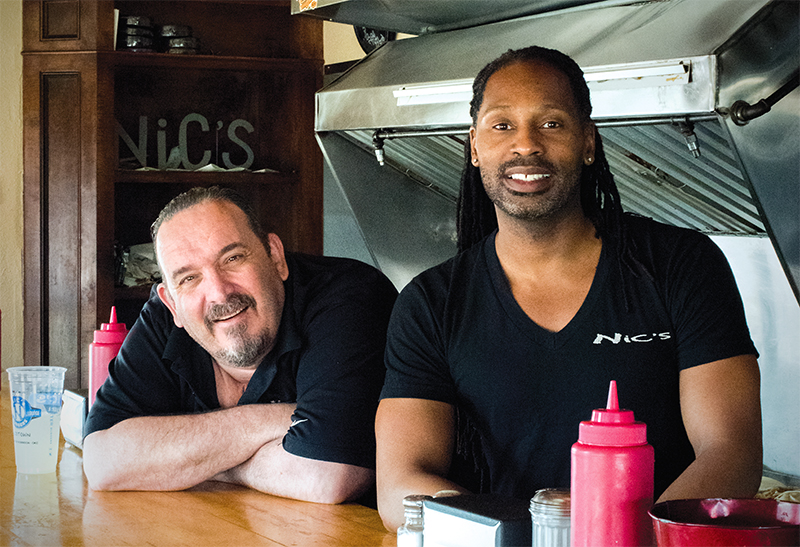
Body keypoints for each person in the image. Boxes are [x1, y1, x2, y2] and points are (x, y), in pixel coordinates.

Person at [375, 46, 763, 529]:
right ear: (474, 146)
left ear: (588, 142)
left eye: (551, 123)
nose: (526, 145)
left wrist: (614, 540)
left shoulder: (680, 265)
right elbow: (400, 486)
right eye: (502, 125)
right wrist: (524, 538)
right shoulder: (430, 304)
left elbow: (731, 453)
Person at [83, 186, 398, 504]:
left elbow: (330, 475)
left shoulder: (348, 296)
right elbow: (100, 463)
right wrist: (270, 424)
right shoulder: (164, 317)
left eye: (232, 258)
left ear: (275, 257)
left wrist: (185, 462)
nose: (219, 293)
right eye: (189, 278)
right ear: (172, 303)